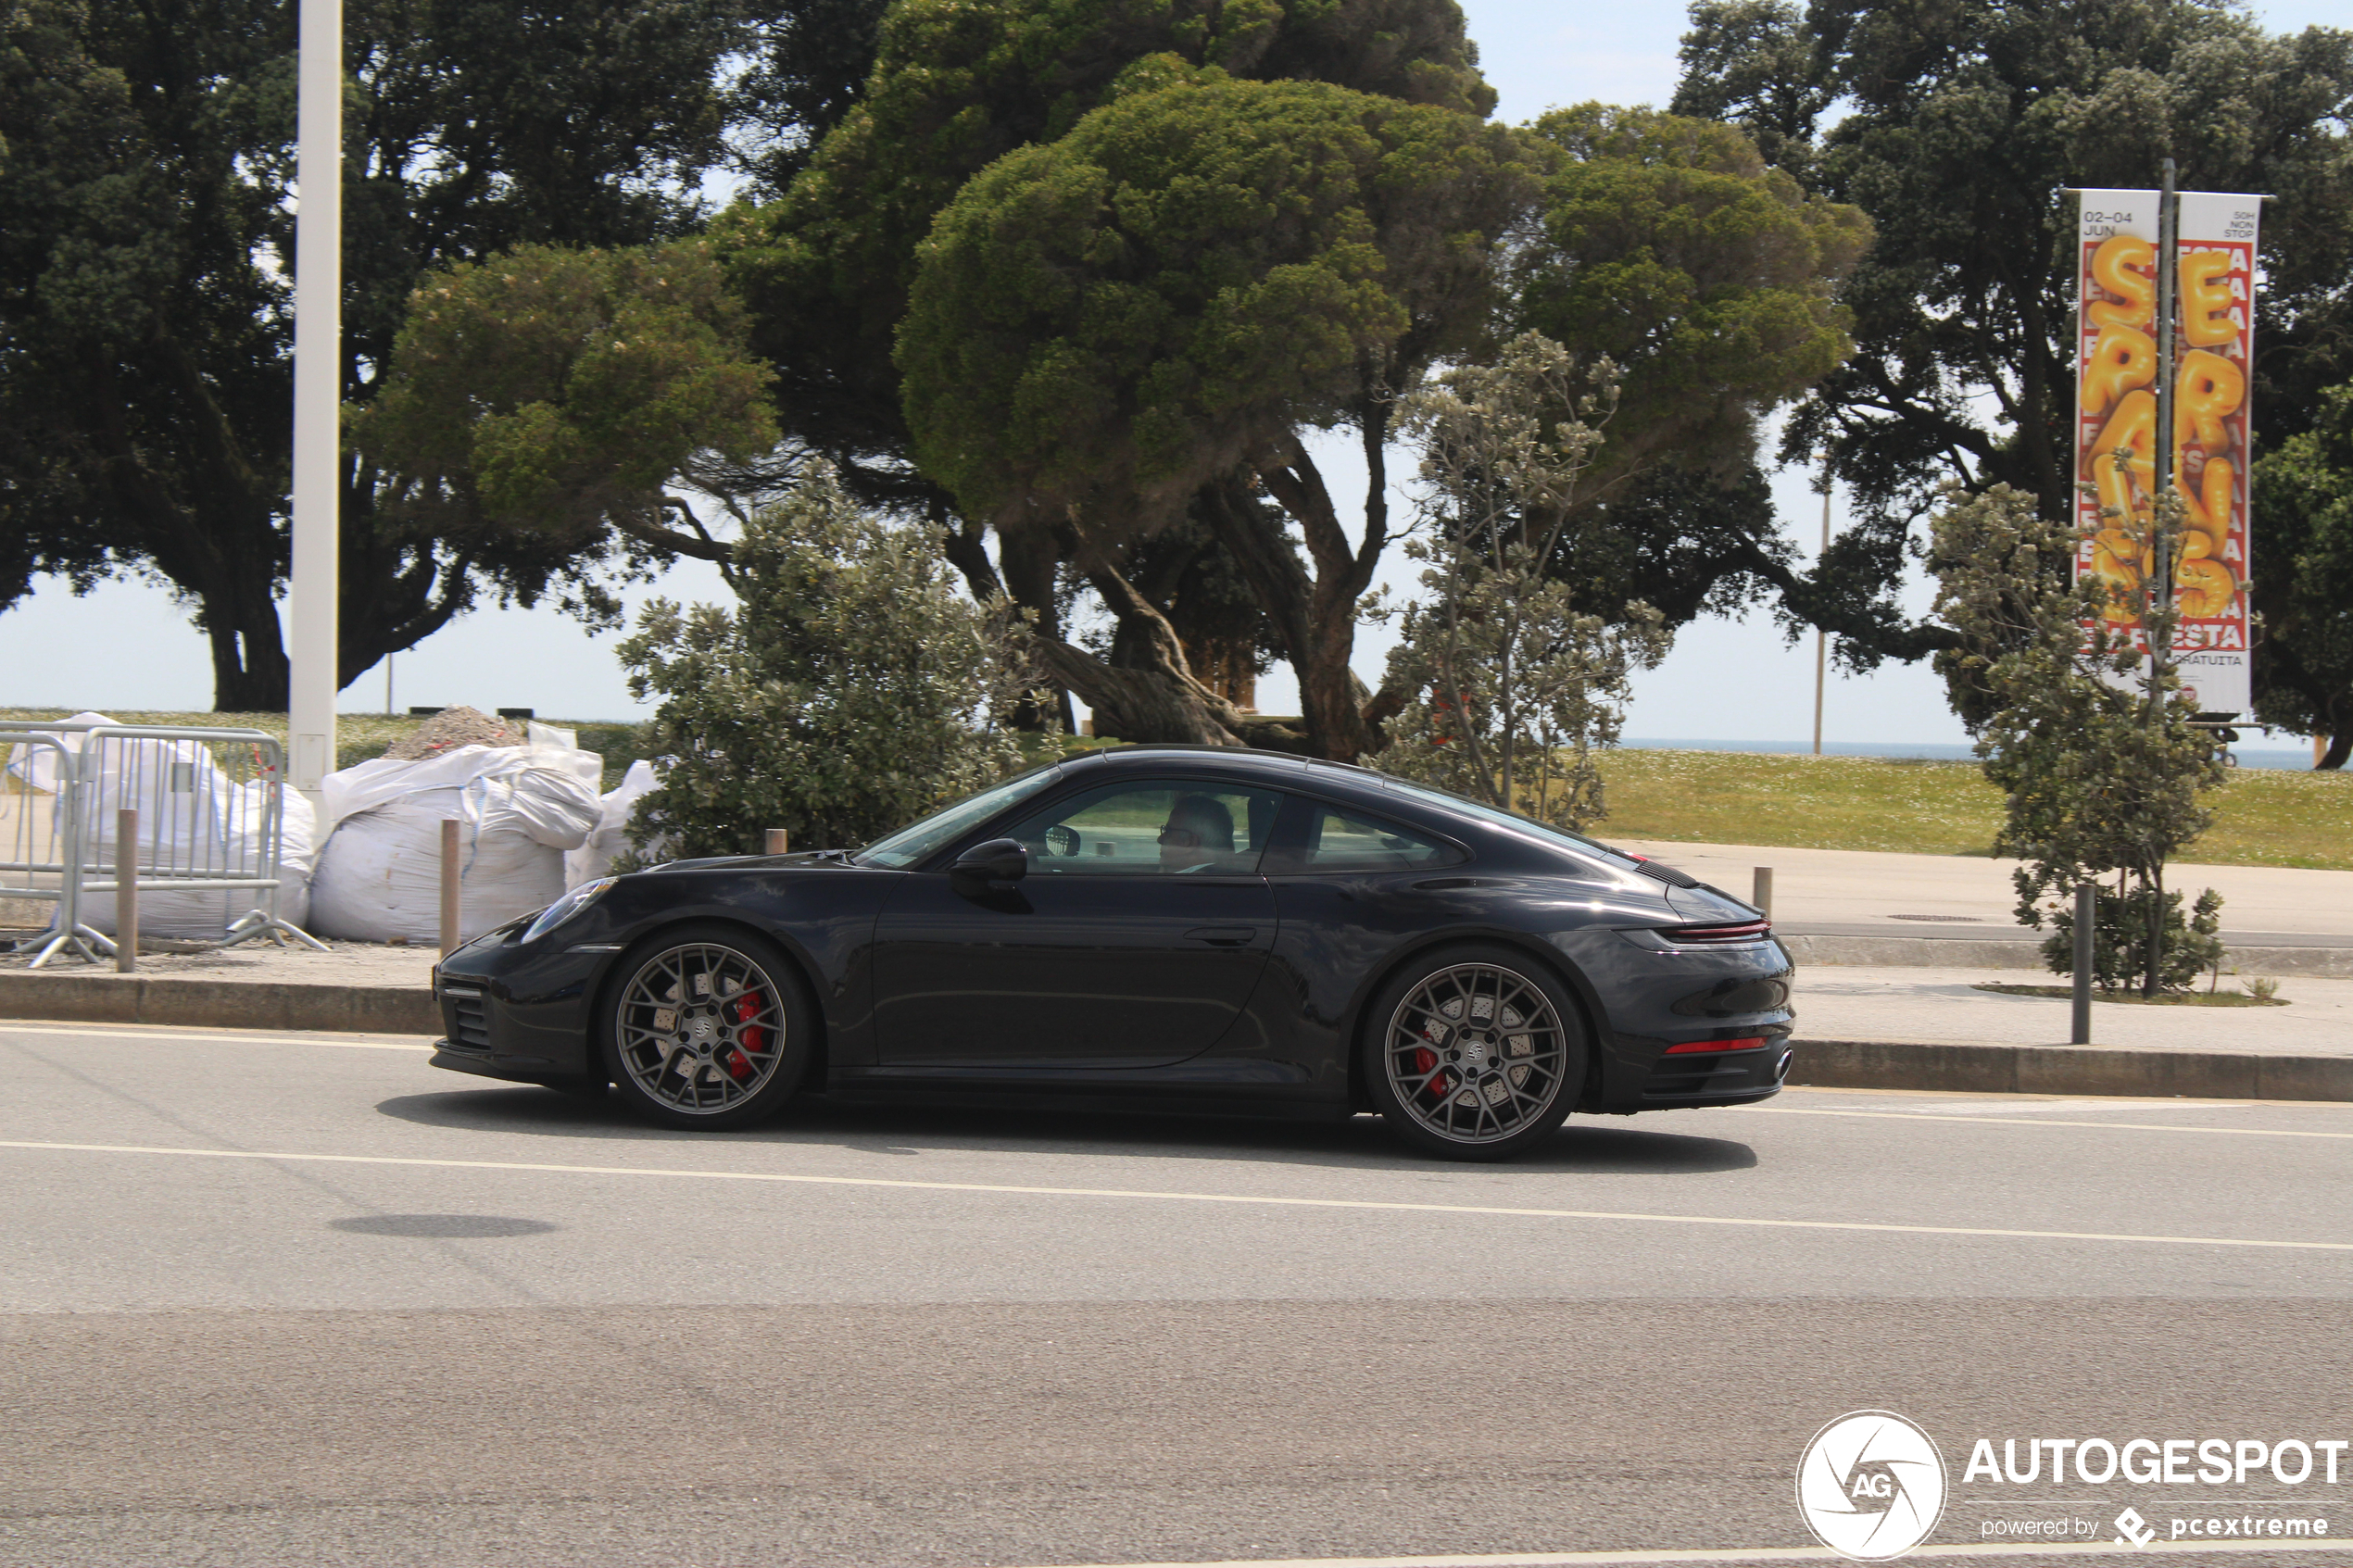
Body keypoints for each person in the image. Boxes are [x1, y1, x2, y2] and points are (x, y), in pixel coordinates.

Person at [1158, 794, 1236, 872]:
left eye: (1168, 831)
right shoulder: (1220, 878)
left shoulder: (1183, 883)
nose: (1160, 839)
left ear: (1190, 841)